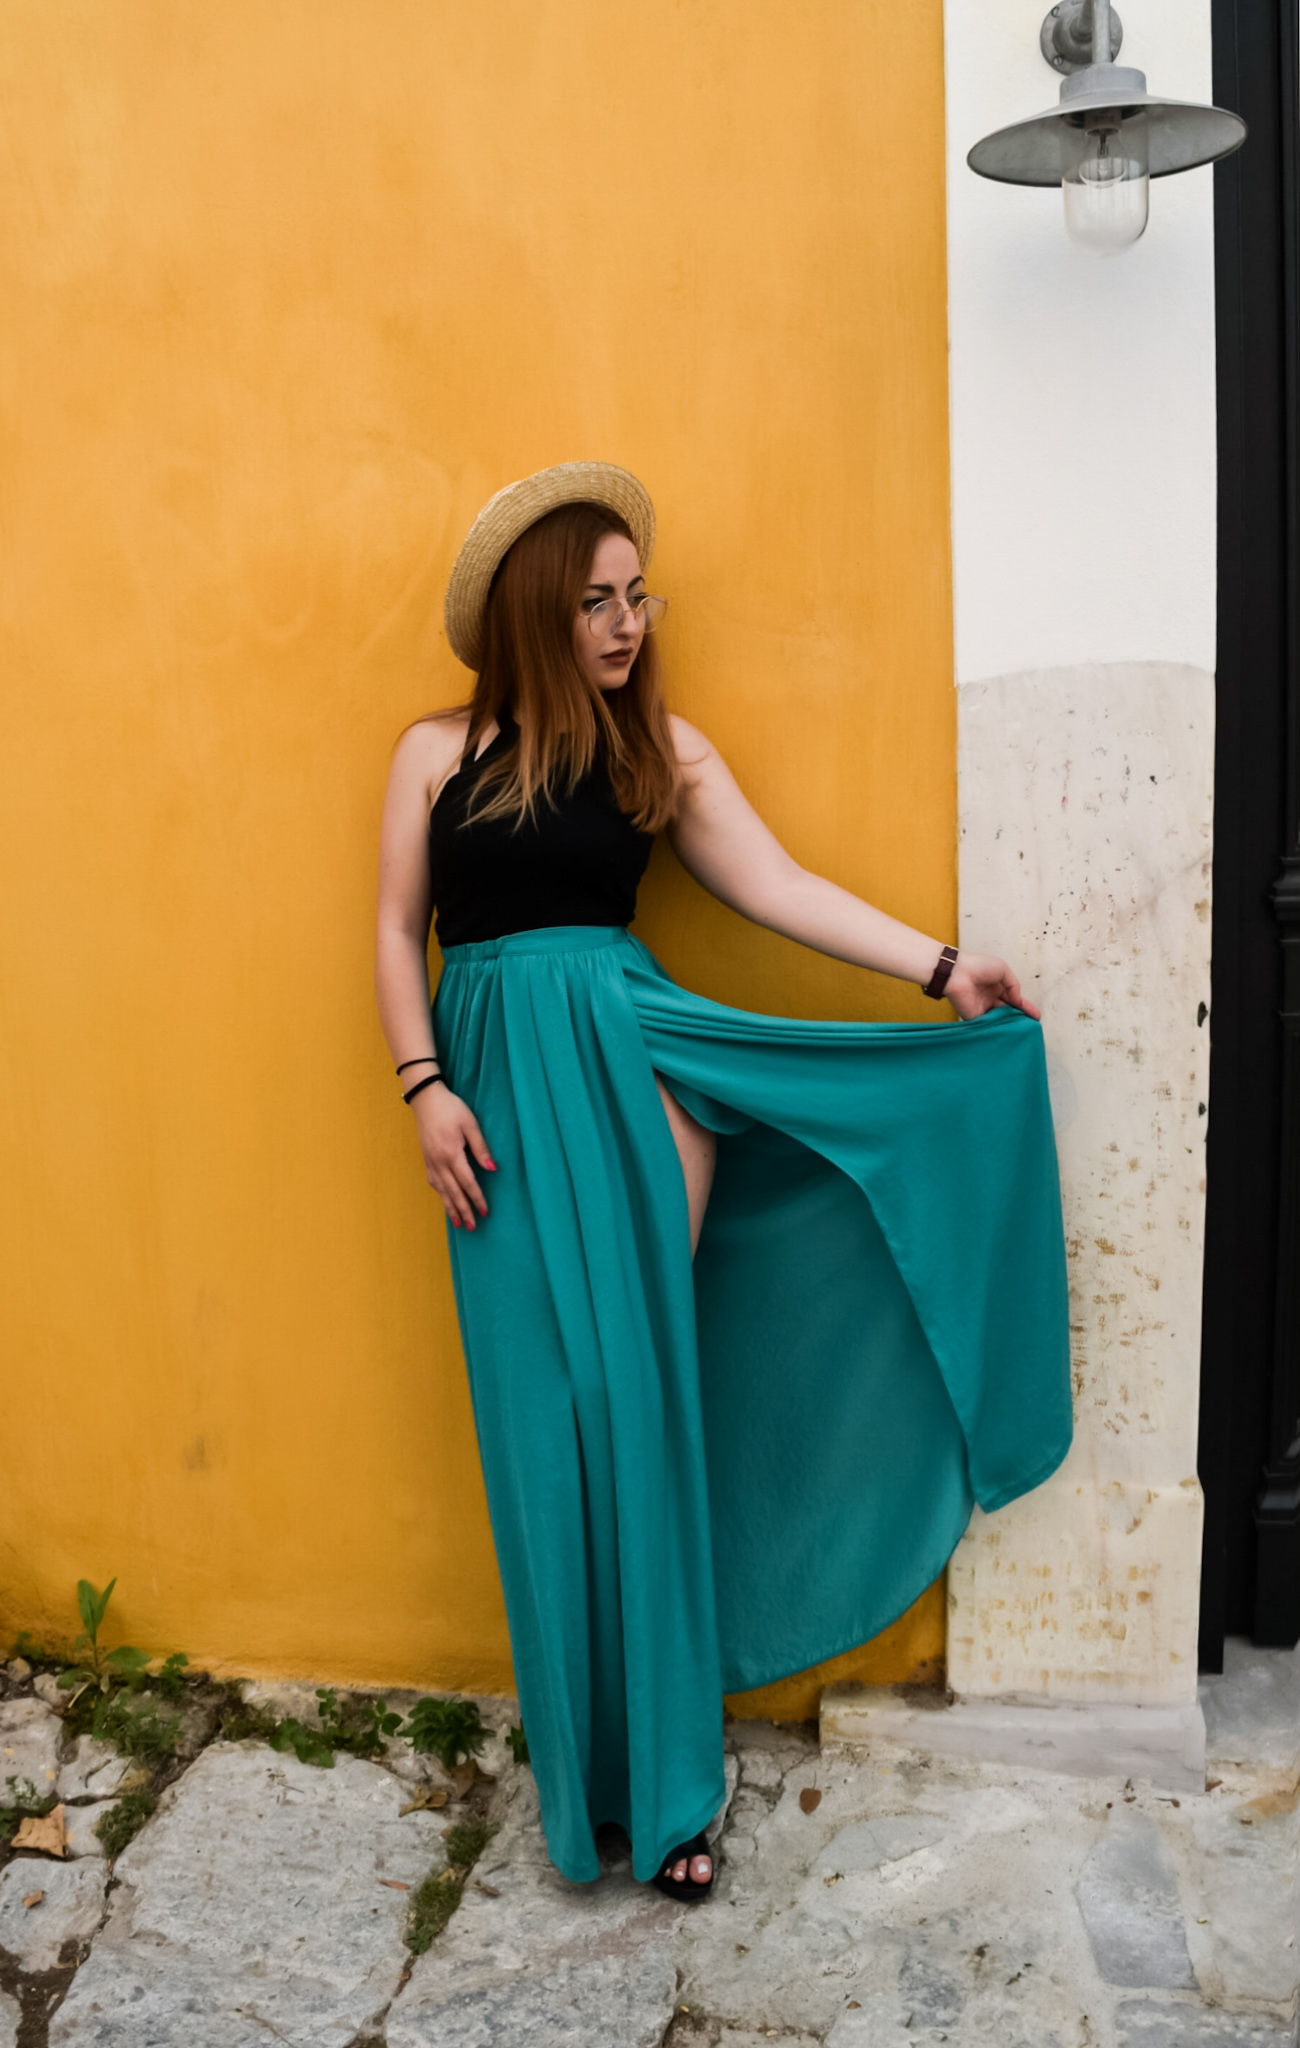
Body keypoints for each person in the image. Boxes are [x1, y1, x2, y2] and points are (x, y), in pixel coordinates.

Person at [374, 462, 1072, 1903]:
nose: (628, 623)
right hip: (492, 1118)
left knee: (641, 1429)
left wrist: (944, 967)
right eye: (597, 601)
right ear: (534, 611)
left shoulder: (659, 752)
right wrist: (424, 1087)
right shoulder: (434, 754)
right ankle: (589, 1792)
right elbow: (393, 932)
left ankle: (676, 1792)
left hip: (632, 1084)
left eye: (638, 597)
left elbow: (779, 886)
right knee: (542, 1449)